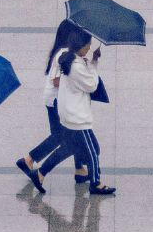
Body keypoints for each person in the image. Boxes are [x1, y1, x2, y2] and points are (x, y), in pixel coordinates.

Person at [15, 20, 93, 193]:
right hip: (57, 102)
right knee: (67, 138)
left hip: (58, 101)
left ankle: (79, 170)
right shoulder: (63, 54)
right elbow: (56, 80)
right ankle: (31, 161)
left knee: (66, 136)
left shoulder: (68, 53)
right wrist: (77, 81)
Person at [42, 34, 114, 196]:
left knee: (69, 148)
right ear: (80, 46)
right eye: (88, 45)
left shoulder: (70, 59)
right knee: (93, 151)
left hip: (69, 113)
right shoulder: (75, 65)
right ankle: (95, 184)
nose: (89, 47)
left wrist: (93, 60)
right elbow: (91, 85)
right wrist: (94, 65)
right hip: (77, 117)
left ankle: (40, 173)